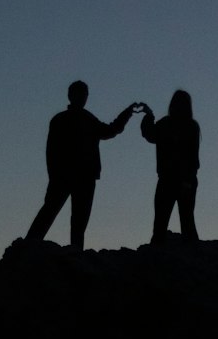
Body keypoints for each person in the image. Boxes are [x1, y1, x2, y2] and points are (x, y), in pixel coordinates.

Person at [26, 81, 137, 249]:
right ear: (71, 96)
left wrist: (127, 114)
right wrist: (54, 176)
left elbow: (110, 130)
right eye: (80, 93)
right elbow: (51, 152)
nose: (83, 97)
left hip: (85, 177)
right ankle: (29, 247)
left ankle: (75, 253)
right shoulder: (61, 120)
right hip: (65, 176)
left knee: (78, 221)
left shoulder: (88, 119)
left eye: (85, 94)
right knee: (49, 212)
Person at [138, 90, 201, 242]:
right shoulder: (188, 126)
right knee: (182, 222)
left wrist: (149, 116)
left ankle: (158, 255)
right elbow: (150, 134)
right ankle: (191, 255)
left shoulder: (169, 124)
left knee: (165, 222)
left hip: (173, 179)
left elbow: (149, 134)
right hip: (176, 179)